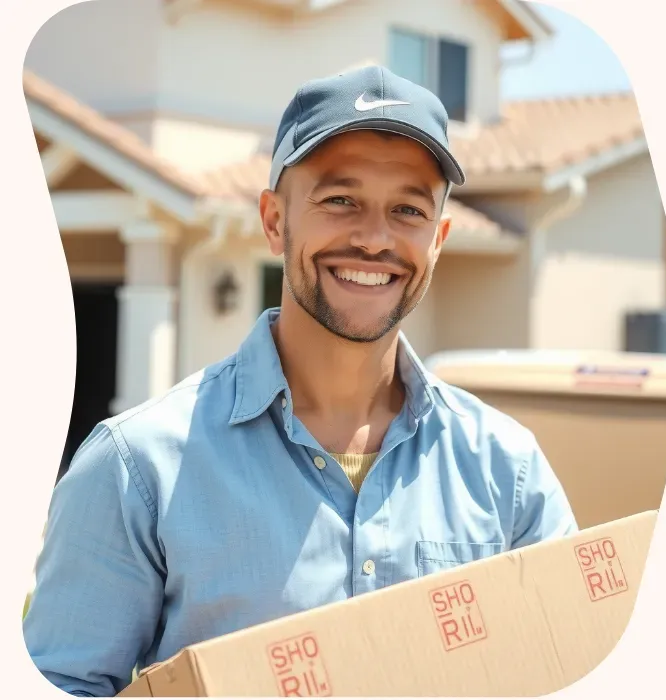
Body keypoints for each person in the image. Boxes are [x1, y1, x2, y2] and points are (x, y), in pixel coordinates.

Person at [23, 66, 577, 697]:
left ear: (439, 239)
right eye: (339, 200)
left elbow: (568, 661)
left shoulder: (508, 470)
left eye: (408, 209)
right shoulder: (137, 469)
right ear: (274, 221)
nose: (374, 238)